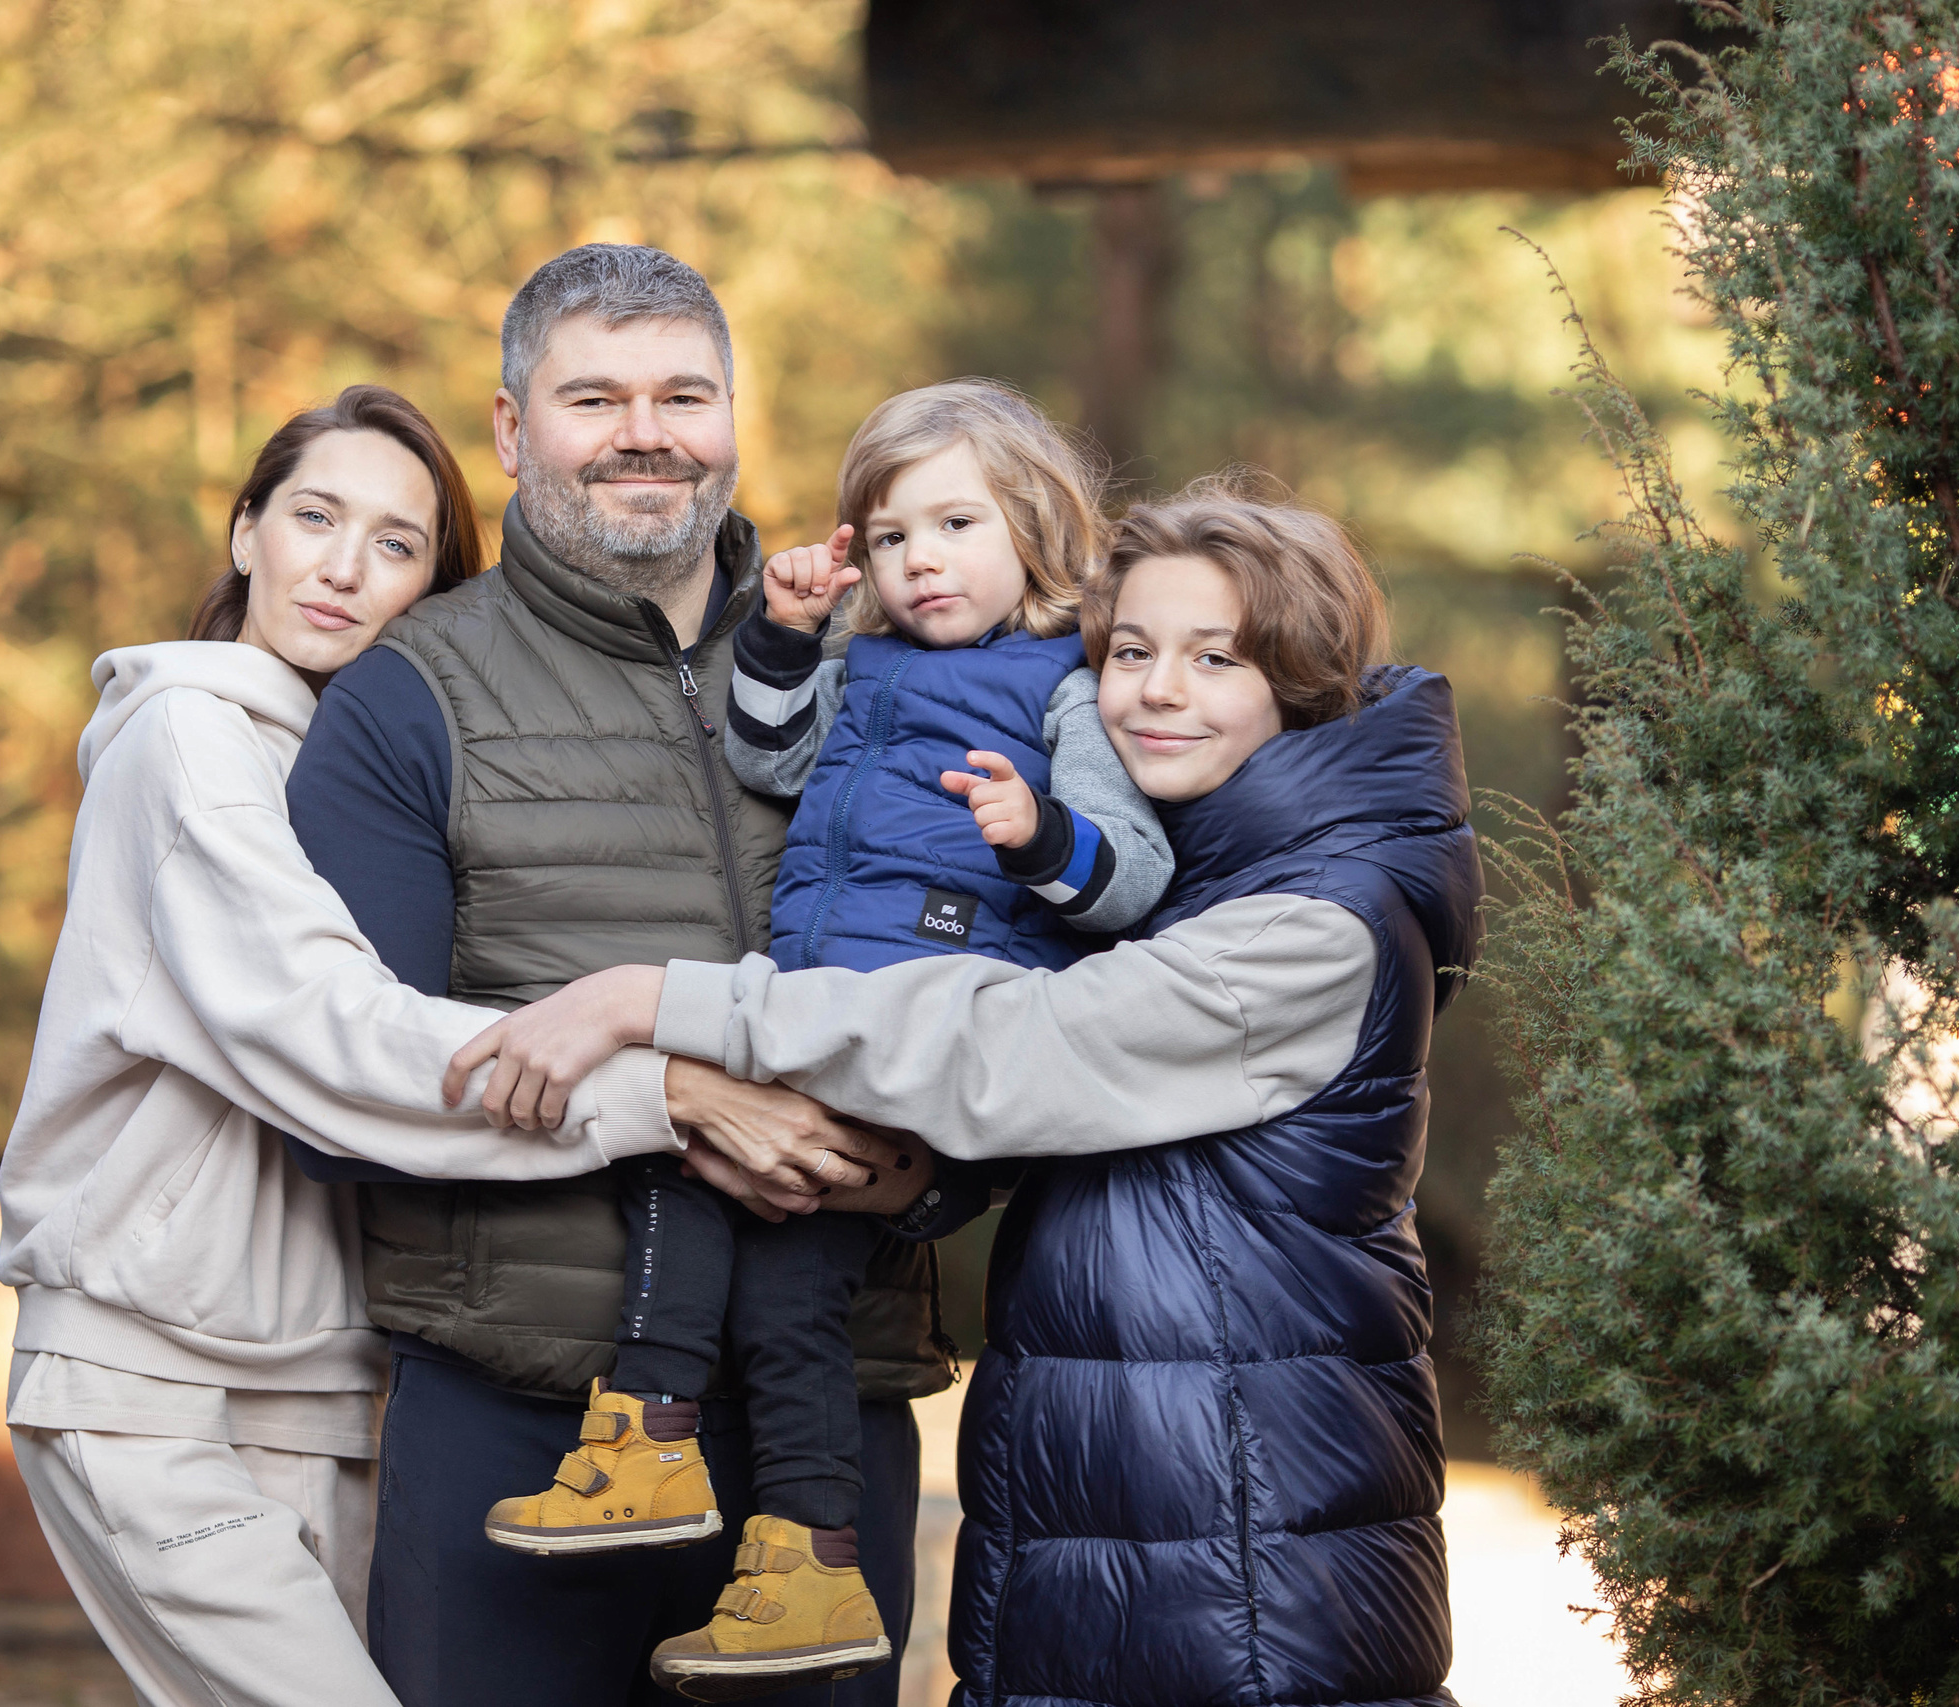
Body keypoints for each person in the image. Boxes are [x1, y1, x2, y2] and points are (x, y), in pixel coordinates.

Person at [471, 474, 1484, 1707]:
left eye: (1216, 658)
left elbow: (1017, 1048)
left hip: (1244, 1566)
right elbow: (1106, 1150)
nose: (1157, 690)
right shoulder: (1193, 884)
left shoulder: (1310, 927)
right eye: (1129, 651)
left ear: (1306, 681)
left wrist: (656, 1003)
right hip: (1120, 1535)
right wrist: (918, 1180)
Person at [283, 244, 942, 1707]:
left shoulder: (891, 666)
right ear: (513, 432)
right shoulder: (410, 697)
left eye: (683, 393)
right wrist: (687, 1096)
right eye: (594, 395)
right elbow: (338, 1084)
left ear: (731, 416)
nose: (646, 429)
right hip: (519, 1420)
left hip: (825, 1423)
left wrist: (930, 1171)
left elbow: (1016, 979)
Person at [470, 380, 1171, 1698]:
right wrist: (789, 636)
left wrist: (1042, 836)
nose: (921, 559)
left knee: (759, 1241)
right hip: (807, 1009)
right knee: (712, 1199)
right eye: (890, 536)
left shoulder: (1067, 686)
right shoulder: (868, 665)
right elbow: (769, 757)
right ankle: (732, 1499)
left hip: (926, 1032)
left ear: (1031, 524)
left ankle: (726, 1494)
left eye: (955, 523)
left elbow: (1131, 874)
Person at [0, 385, 686, 1707]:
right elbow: (333, 1033)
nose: (342, 565)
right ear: (248, 529)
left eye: (396, 542)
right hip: (148, 1370)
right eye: (314, 515)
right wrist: (673, 1082)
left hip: (320, 1374)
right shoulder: (188, 738)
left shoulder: (358, 764)